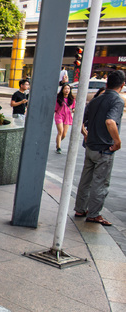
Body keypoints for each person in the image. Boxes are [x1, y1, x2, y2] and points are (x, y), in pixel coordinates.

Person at [73, 70, 125, 227]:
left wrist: (85, 133)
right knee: (100, 182)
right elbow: (110, 122)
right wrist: (117, 141)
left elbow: (81, 119)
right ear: (122, 85)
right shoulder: (117, 100)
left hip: (91, 146)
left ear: (107, 83)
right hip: (104, 148)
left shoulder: (96, 100)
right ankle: (94, 214)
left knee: (85, 179)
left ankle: (80, 209)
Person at [54, 83, 75, 154]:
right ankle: (59, 147)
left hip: (67, 117)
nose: (67, 90)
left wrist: (74, 109)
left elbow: (73, 107)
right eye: (65, 88)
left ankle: (58, 142)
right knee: (60, 131)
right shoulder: (58, 98)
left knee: (64, 134)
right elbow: (55, 109)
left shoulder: (72, 99)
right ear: (62, 90)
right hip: (59, 115)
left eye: (68, 89)